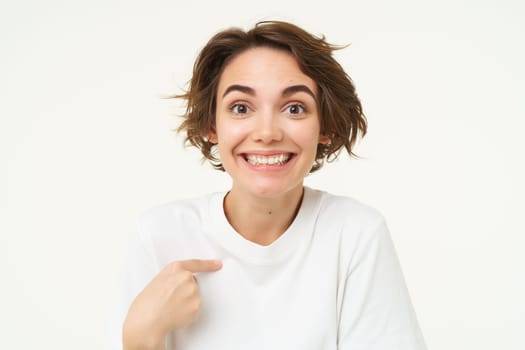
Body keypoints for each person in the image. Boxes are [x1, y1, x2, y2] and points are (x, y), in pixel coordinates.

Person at [109, 21, 426, 350]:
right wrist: (142, 336)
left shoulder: (356, 234)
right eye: (241, 108)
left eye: (294, 108)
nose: (267, 132)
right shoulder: (159, 236)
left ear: (325, 127)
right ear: (211, 125)